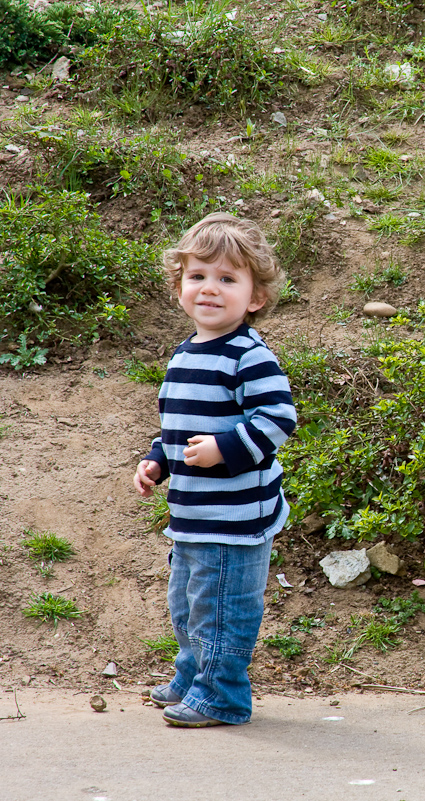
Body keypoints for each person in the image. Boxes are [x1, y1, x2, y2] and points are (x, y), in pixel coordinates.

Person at [133, 212, 296, 726]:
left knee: (222, 612)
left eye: (227, 279)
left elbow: (279, 418)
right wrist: (158, 459)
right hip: (193, 513)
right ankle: (192, 676)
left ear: (254, 298)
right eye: (198, 276)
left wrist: (225, 447)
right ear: (179, 285)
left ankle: (222, 695)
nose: (209, 288)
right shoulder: (184, 355)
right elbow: (179, 427)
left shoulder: (249, 354)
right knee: (188, 605)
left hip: (235, 517)